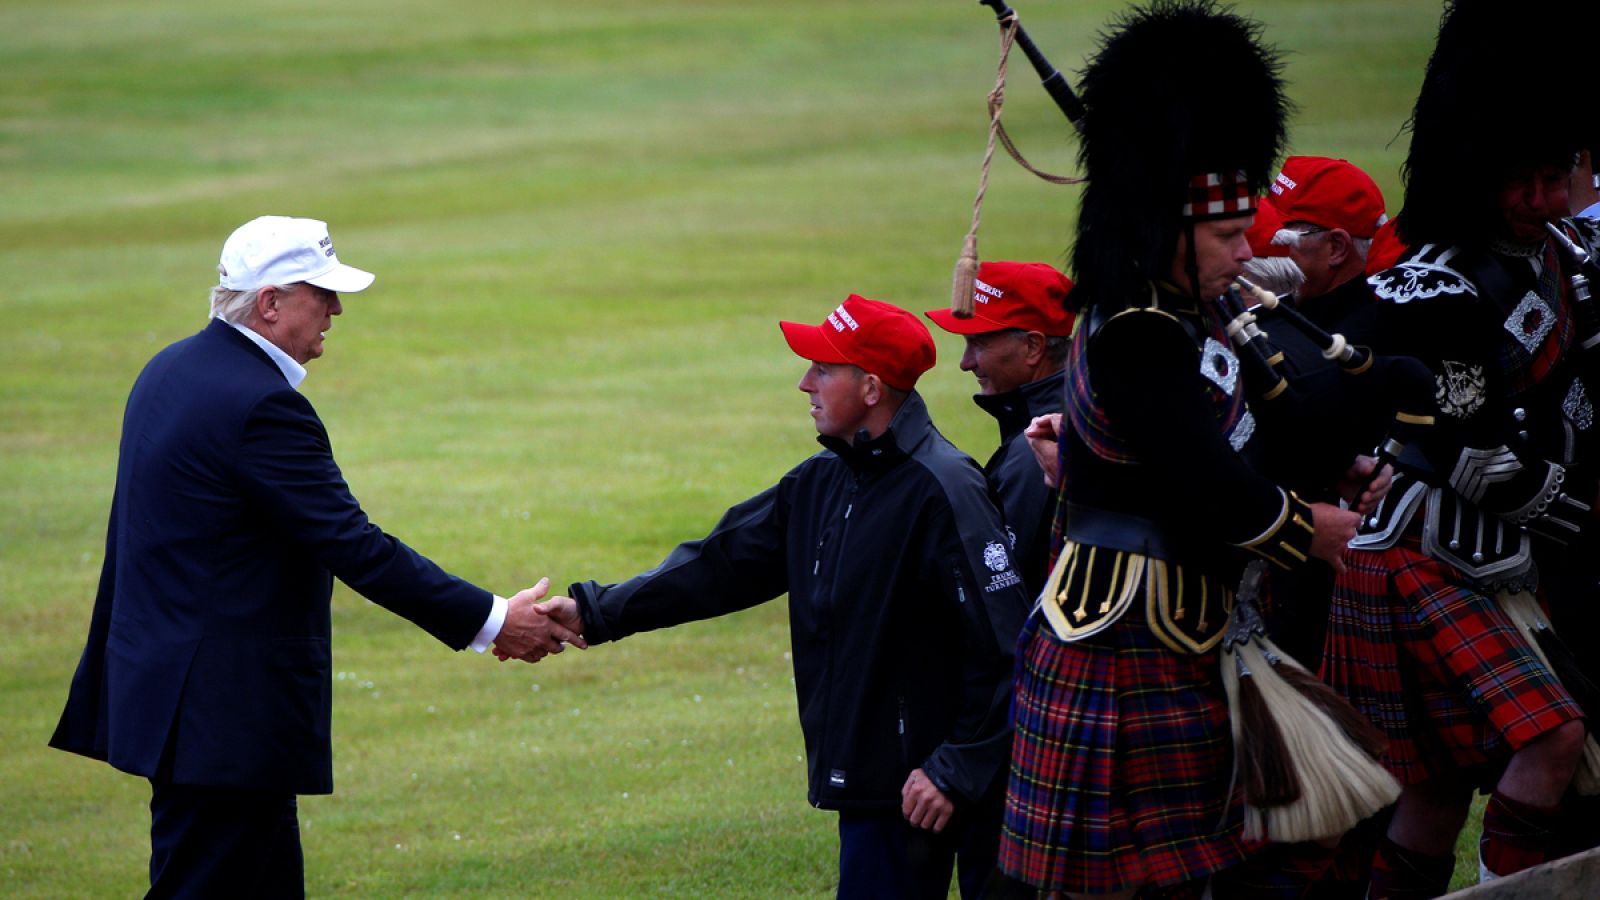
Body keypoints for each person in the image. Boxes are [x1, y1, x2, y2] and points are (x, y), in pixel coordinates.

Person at [48, 215, 579, 898]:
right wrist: (496, 620)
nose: (335, 308)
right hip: (223, 715)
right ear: (269, 303)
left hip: (174, 698)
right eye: (319, 293)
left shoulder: (172, 369)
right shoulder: (260, 405)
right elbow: (354, 545)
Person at [995, 3, 1364, 897]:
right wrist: (1308, 529)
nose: (1246, 252)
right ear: (1170, 233)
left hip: (1196, 620)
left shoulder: (1180, 316)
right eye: (1228, 236)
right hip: (1127, 629)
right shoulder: (1137, 332)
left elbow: (1226, 436)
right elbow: (1205, 480)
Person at [522, 294, 1029, 899]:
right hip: (880, 786)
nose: (803, 382)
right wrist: (595, 611)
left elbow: (1008, 646)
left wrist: (954, 768)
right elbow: (718, 565)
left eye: (823, 368)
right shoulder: (823, 480)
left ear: (871, 388)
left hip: (943, 787)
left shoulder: (945, 488)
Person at [1321, 1, 1600, 893]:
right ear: (1478, 168)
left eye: (1560, 176)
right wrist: (1589, 514)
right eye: (1530, 180)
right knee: (1550, 738)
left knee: (1437, 791)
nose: (1548, 201)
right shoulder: (1428, 290)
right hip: (1424, 551)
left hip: (1499, 557)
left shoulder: (1560, 255)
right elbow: (1477, 456)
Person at [925, 260, 1075, 596]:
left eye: (978, 344)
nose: (966, 363)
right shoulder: (1074, 412)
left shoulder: (1035, 447)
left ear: (1033, 347)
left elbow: (999, 590)